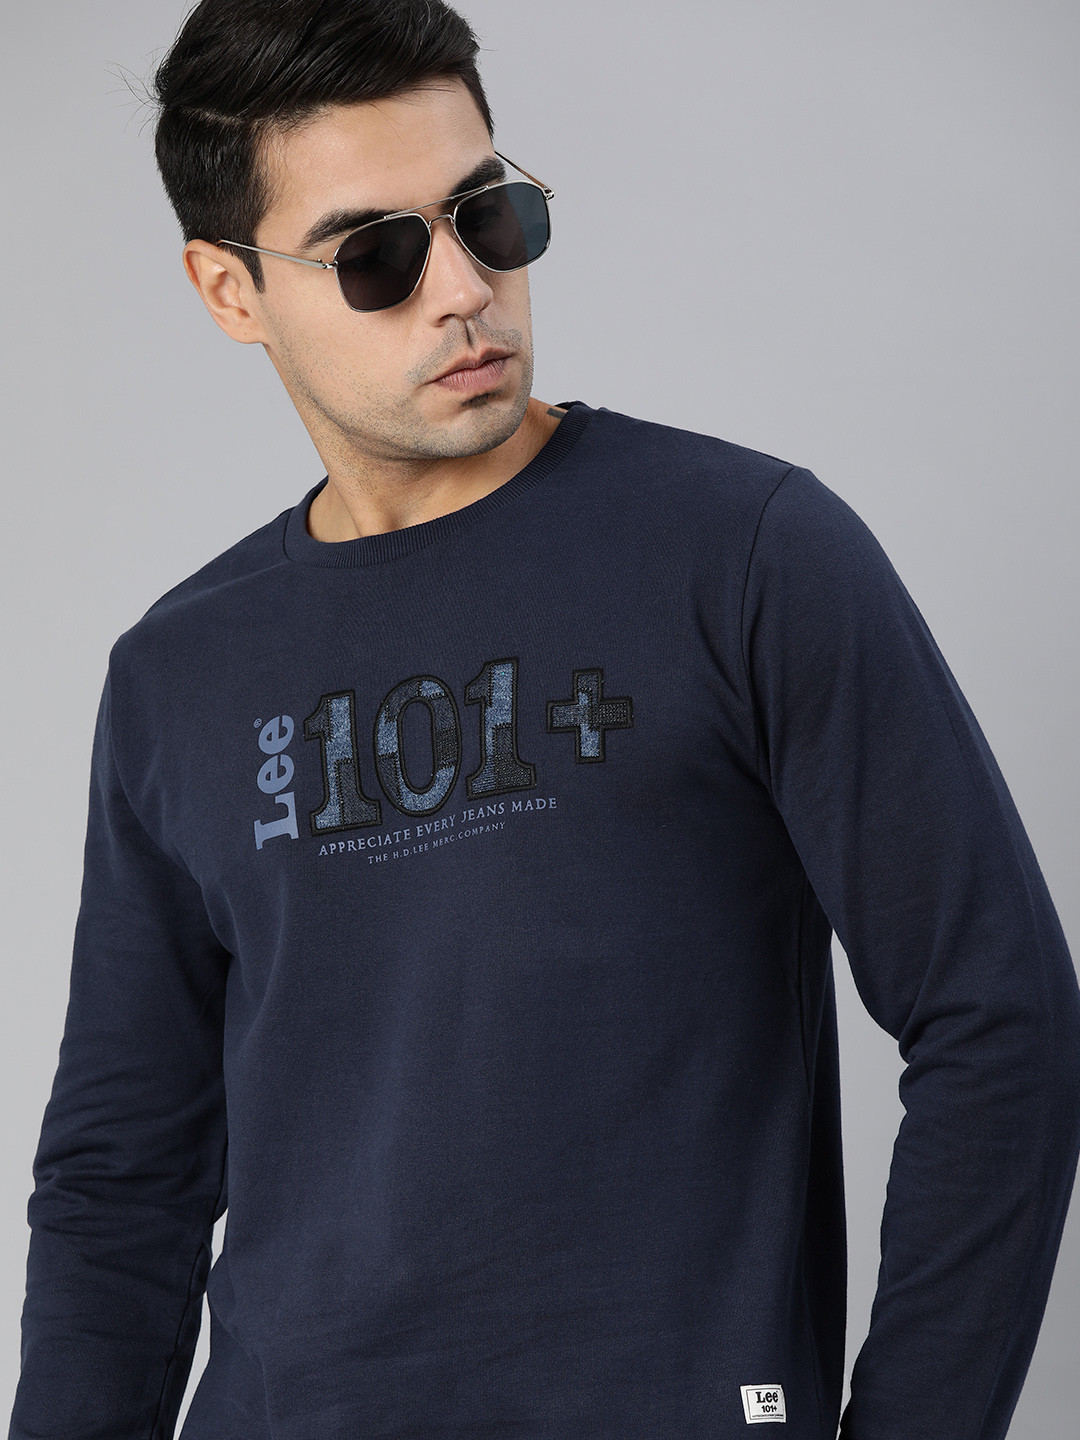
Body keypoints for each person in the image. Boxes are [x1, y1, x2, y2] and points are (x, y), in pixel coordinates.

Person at [8, 1, 1080, 1437]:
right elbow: (120, 1177)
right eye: (375, 254)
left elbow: (1001, 1019)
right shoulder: (178, 672)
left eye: (486, 215)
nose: (464, 289)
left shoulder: (745, 553)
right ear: (229, 288)